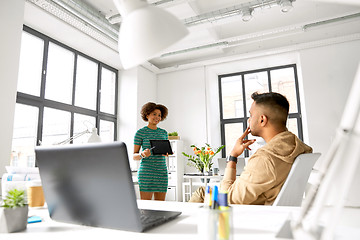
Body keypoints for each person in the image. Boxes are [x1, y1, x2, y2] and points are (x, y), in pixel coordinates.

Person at [189, 92, 313, 205]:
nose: (249, 120)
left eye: (251, 115)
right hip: (272, 205)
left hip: (252, 212)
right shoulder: (299, 147)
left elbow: (228, 199)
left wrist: (233, 156)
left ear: (262, 119)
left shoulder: (265, 158)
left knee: (202, 192)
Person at [133, 102, 169, 201]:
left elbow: (165, 150)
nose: (157, 117)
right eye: (154, 114)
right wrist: (142, 154)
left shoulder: (164, 133)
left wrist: (165, 153)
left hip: (161, 172)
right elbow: (134, 156)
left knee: (160, 206)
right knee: (146, 206)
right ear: (147, 115)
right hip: (146, 173)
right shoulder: (140, 133)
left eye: (159, 115)